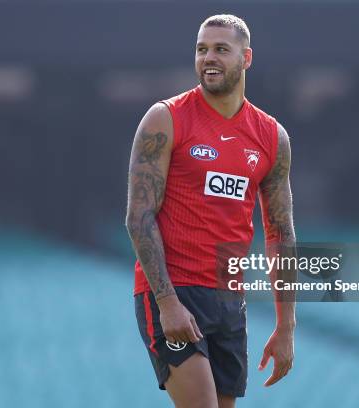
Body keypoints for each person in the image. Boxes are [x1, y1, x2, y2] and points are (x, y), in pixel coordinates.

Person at [126, 14, 296, 408]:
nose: (209, 58)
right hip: (174, 291)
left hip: (229, 299)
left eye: (221, 49)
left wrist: (286, 327)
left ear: (246, 58)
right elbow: (138, 217)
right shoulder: (165, 118)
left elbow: (281, 233)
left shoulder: (272, 136)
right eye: (202, 50)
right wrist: (167, 303)